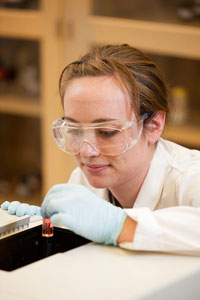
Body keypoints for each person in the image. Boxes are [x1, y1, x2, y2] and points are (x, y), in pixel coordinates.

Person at [1, 44, 200, 254]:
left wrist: (118, 224)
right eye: (75, 130)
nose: (87, 153)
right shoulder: (83, 180)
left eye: (107, 132)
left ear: (154, 126)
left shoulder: (190, 177)